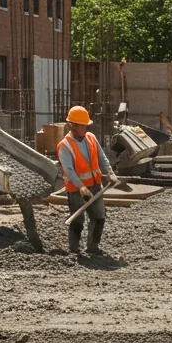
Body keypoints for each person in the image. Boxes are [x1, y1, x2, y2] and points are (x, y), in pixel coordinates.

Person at [59, 105, 119, 257]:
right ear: (73, 125)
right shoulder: (64, 146)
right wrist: (81, 187)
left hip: (95, 185)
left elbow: (101, 157)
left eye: (86, 125)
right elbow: (69, 170)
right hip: (76, 190)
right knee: (78, 221)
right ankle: (74, 249)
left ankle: (92, 247)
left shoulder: (91, 138)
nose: (85, 128)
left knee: (99, 217)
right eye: (82, 125)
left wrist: (109, 172)